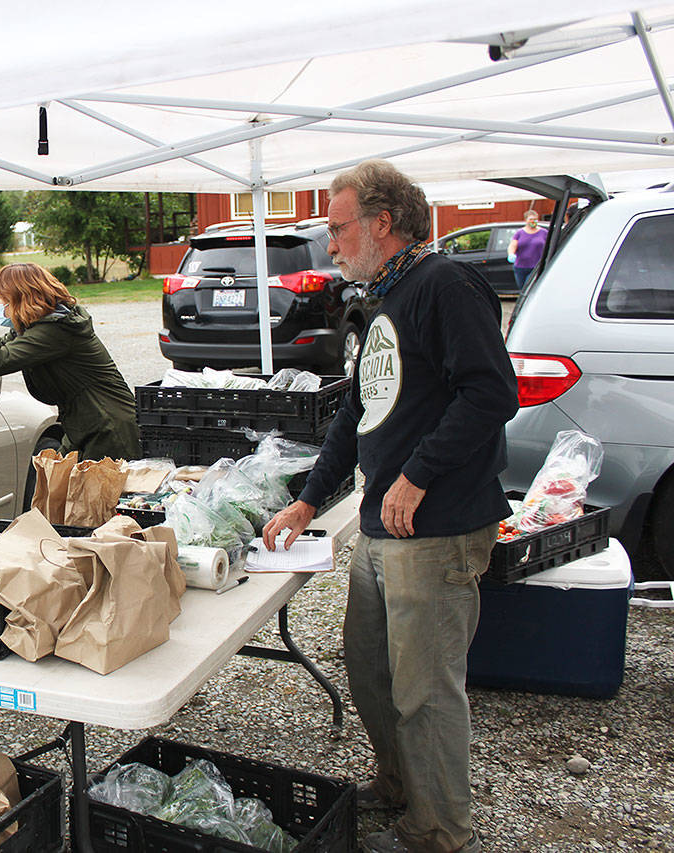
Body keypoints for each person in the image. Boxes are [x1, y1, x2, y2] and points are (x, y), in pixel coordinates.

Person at [262, 161, 518, 853]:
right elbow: (358, 408)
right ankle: (400, 782)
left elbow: (493, 392)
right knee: (371, 669)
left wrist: (418, 475)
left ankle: (438, 832)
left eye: (339, 227)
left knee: (426, 691)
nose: (332, 243)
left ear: (383, 221)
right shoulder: (387, 295)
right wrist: (309, 498)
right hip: (383, 525)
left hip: (435, 527)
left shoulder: (446, 284)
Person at [0, 263, 141, 461]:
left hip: (106, 425)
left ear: (21, 297)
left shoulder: (57, 330)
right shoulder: (40, 324)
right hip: (86, 422)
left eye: (0, 296)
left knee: (99, 505)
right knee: (66, 492)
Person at [507, 209, 547, 292]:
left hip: (536, 267)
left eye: (535, 219)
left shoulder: (544, 232)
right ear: (526, 220)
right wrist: (511, 254)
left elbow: (549, 245)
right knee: (522, 289)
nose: (533, 221)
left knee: (528, 288)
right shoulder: (520, 233)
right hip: (520, 267)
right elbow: (513, 245)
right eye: (531, 219)